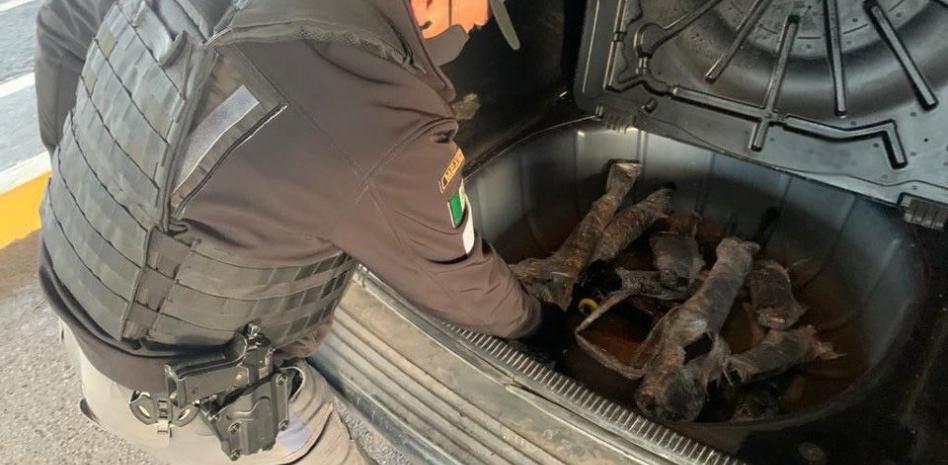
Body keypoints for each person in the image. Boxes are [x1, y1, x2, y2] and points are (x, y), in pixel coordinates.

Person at [33, 0, 555, 463]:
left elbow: (62, 25)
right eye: (480, 10)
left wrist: (99, 177)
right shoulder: (378, 115)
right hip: (186, 390)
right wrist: (537, 324)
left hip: (77, 274)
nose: (479, 24)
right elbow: (461, 285)